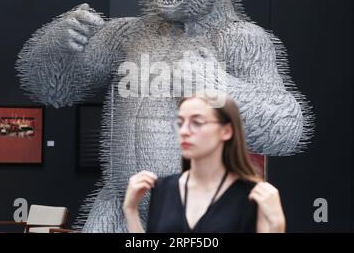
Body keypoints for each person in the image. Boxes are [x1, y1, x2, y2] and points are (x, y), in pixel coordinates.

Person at [123, 91, 286, 233]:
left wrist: (277, 225)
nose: (185, 131)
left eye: (197, 122)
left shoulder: (253, 195)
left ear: (226, 131)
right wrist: (130, 210)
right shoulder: (163, 188)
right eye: (180, 123)